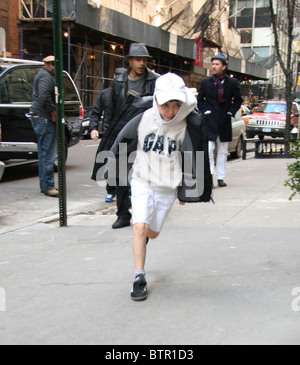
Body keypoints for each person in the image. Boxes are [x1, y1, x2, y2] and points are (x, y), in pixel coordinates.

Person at [108, 73, 212, 301]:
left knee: (152, 233)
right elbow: (121, 142)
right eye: (166, 104)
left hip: (167, 187)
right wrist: (112, 174)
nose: (171, 111)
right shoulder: (142, 118)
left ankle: (144, 235)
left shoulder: (186, 124)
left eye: (176, 105)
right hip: (142, 180)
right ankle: (139, 277)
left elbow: (191, 158)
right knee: (139, 226)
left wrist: (188, 191)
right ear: (155, 99)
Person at [91, 43, 159, 229]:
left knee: (148, 175)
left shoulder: (154, 80)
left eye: (144, 60)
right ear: (130, 60)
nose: (141, 63)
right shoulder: (119, 82)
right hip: (124, 132)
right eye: (138, 59)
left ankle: (147, 211)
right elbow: (112, 111)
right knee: (121, 175)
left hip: (146, 134)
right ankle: (122, 214)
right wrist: (110, 134)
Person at [197, 53, 243, 187]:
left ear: (224, 67)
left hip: (224, 121)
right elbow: (200, 100)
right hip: (210, 121)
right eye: (213, 64)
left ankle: (221, 177)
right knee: (210, 149)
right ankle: (210, 176)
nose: (214, 67)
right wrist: (206, 112)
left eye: (217, 64)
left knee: (223, 151)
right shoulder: (206, 83)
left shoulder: (232, 83)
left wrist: (230, 112)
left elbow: (238, 100)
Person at [89, 67, 126, 203]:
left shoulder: (131, 95)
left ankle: (125, 191)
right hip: (111, 134)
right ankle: (111, 190)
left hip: (127, 133)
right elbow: (96, 113)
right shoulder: (105, 94)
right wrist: (93, 128)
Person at [30, 55, 58, 197]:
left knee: (44, 153)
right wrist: (53, 111)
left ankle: (46, 185)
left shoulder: (43, 76)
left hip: (40, 116)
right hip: (44, 117)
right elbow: (44, 96)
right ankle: (48, 186)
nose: (54, 67)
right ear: (47, 64)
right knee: (48, 153)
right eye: (52, 64)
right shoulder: (45, 77)